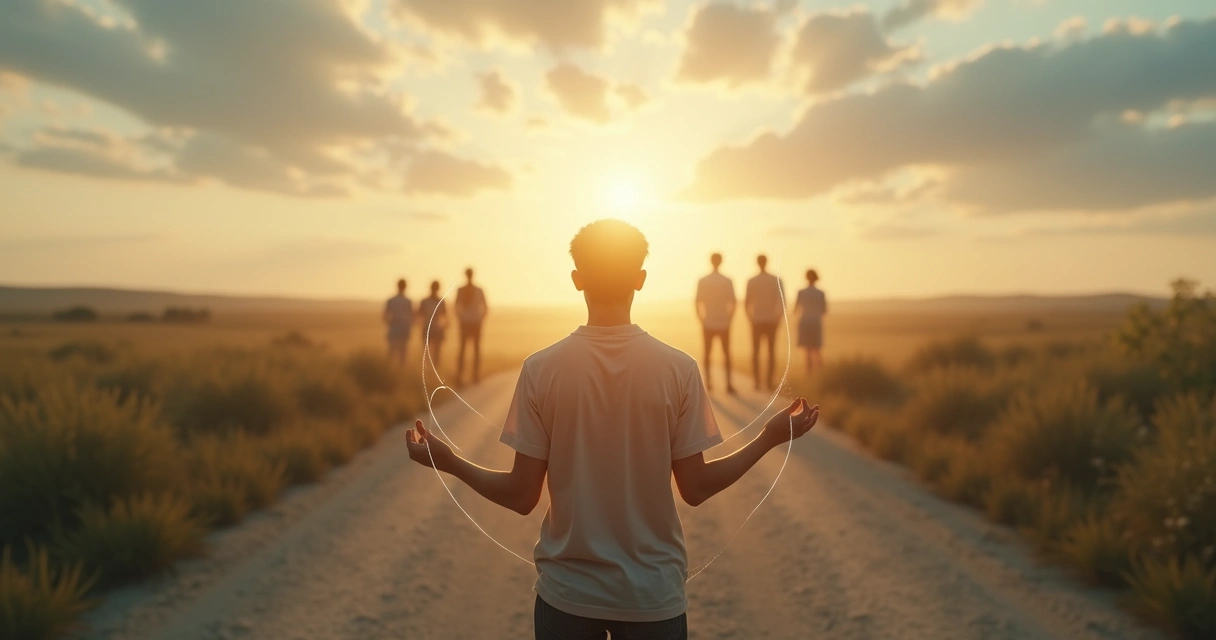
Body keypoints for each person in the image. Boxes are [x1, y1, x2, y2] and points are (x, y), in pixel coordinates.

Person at [405, 219, 820, 640]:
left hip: (566, 596)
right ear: (640, 280)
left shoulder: (540, 369)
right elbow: (695, 488)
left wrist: (449, 461)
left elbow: (521, 496)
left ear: (576, 279)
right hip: (652, 597)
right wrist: (769, 437)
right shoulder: (678, 369)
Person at [695, 252, 736, 394]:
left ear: (711, 261)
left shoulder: (703, 280)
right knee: (726, 354)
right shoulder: (727, 280)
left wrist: (701, 319)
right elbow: (733, 302)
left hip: (708, 322)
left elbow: (697, 301)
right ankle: (728, 384)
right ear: (721, 261)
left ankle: (708, 383)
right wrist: (730, 318)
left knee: (707, 354)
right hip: (724, 321)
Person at [745, 254, 784, 391]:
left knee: (756, 352)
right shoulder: (776, 280)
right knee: (771, 352)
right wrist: (778, 319)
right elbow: (782, 302)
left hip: (757, 320)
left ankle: (757, 382)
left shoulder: (752, 281)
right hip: (771, 320)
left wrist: (750, 319)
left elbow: (746, 303)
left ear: (757, 263)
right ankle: (768, 382)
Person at [455, 267, 488, 385]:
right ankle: (474, 376)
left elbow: (456, 306)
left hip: (467, 322)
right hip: (474, 322)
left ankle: (462, 376)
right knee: (474, 350)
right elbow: (486, 307)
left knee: (464, 350)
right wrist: (480, 318)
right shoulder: (478, 290)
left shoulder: (461, 290)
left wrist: (461, 318)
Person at [794, 269, 827, 375]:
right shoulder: (820, 293)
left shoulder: (801, 292)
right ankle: (821, 372)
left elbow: (795, 309)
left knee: (807, 349)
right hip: (816, 321)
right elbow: (824, 310)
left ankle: (809, 373)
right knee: (816, 348)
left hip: (804, 320)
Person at [418, 280, 449, 371]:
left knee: (431, 352)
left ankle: (431, 370)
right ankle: (433, 370)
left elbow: (419, 314)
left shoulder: (425, 301)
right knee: (434, 352)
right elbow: (445, 316)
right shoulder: (441, 301)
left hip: (430, 327)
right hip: (435, 327)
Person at [384, 278, 413, 366]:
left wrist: (390, 322)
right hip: (402, 328)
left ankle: (390, 370)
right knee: (402, 353)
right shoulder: (408, 301)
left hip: (395, 328)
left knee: (393, 351)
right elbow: (412, 316)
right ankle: (399, 371)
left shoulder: (391, 300)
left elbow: (385, 315)